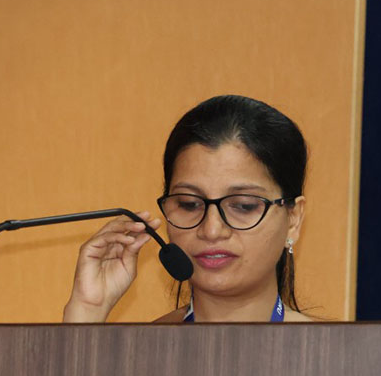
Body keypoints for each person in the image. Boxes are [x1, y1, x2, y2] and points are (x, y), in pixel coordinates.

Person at [63, 95, 310, 323]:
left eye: (243, 206)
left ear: (293, 219)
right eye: (189, 204)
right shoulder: (136, 348)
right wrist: (88, 310)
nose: (211, 230)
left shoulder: (328, 351)